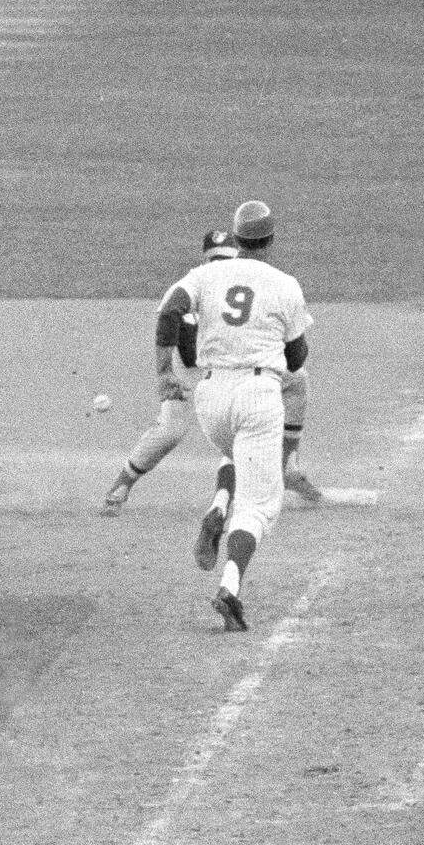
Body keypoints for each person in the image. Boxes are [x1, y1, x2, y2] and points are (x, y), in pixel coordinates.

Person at [156, 199, 313, 631]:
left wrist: (163, 373)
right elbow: (297, 357)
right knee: (261, 506)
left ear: (238, 237)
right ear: (271, 239)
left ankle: (218, 504)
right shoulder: (285, 284)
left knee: (239, 455)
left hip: (210, 399)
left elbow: (170, 311)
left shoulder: (205, 274)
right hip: (256, 397)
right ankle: (229, 588)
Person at [101, 228, 321, 516]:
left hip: (215, 368)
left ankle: (286, 465)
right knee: (176, 430)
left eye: (223, 258)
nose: (218, 263)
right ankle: (124, 485)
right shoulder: (209, 284)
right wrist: (168, 374)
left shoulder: (204, 282)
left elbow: (173, 314)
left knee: (295, 381)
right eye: (214, 258)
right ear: (206, 259)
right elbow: (190, 351)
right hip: (195, 368)